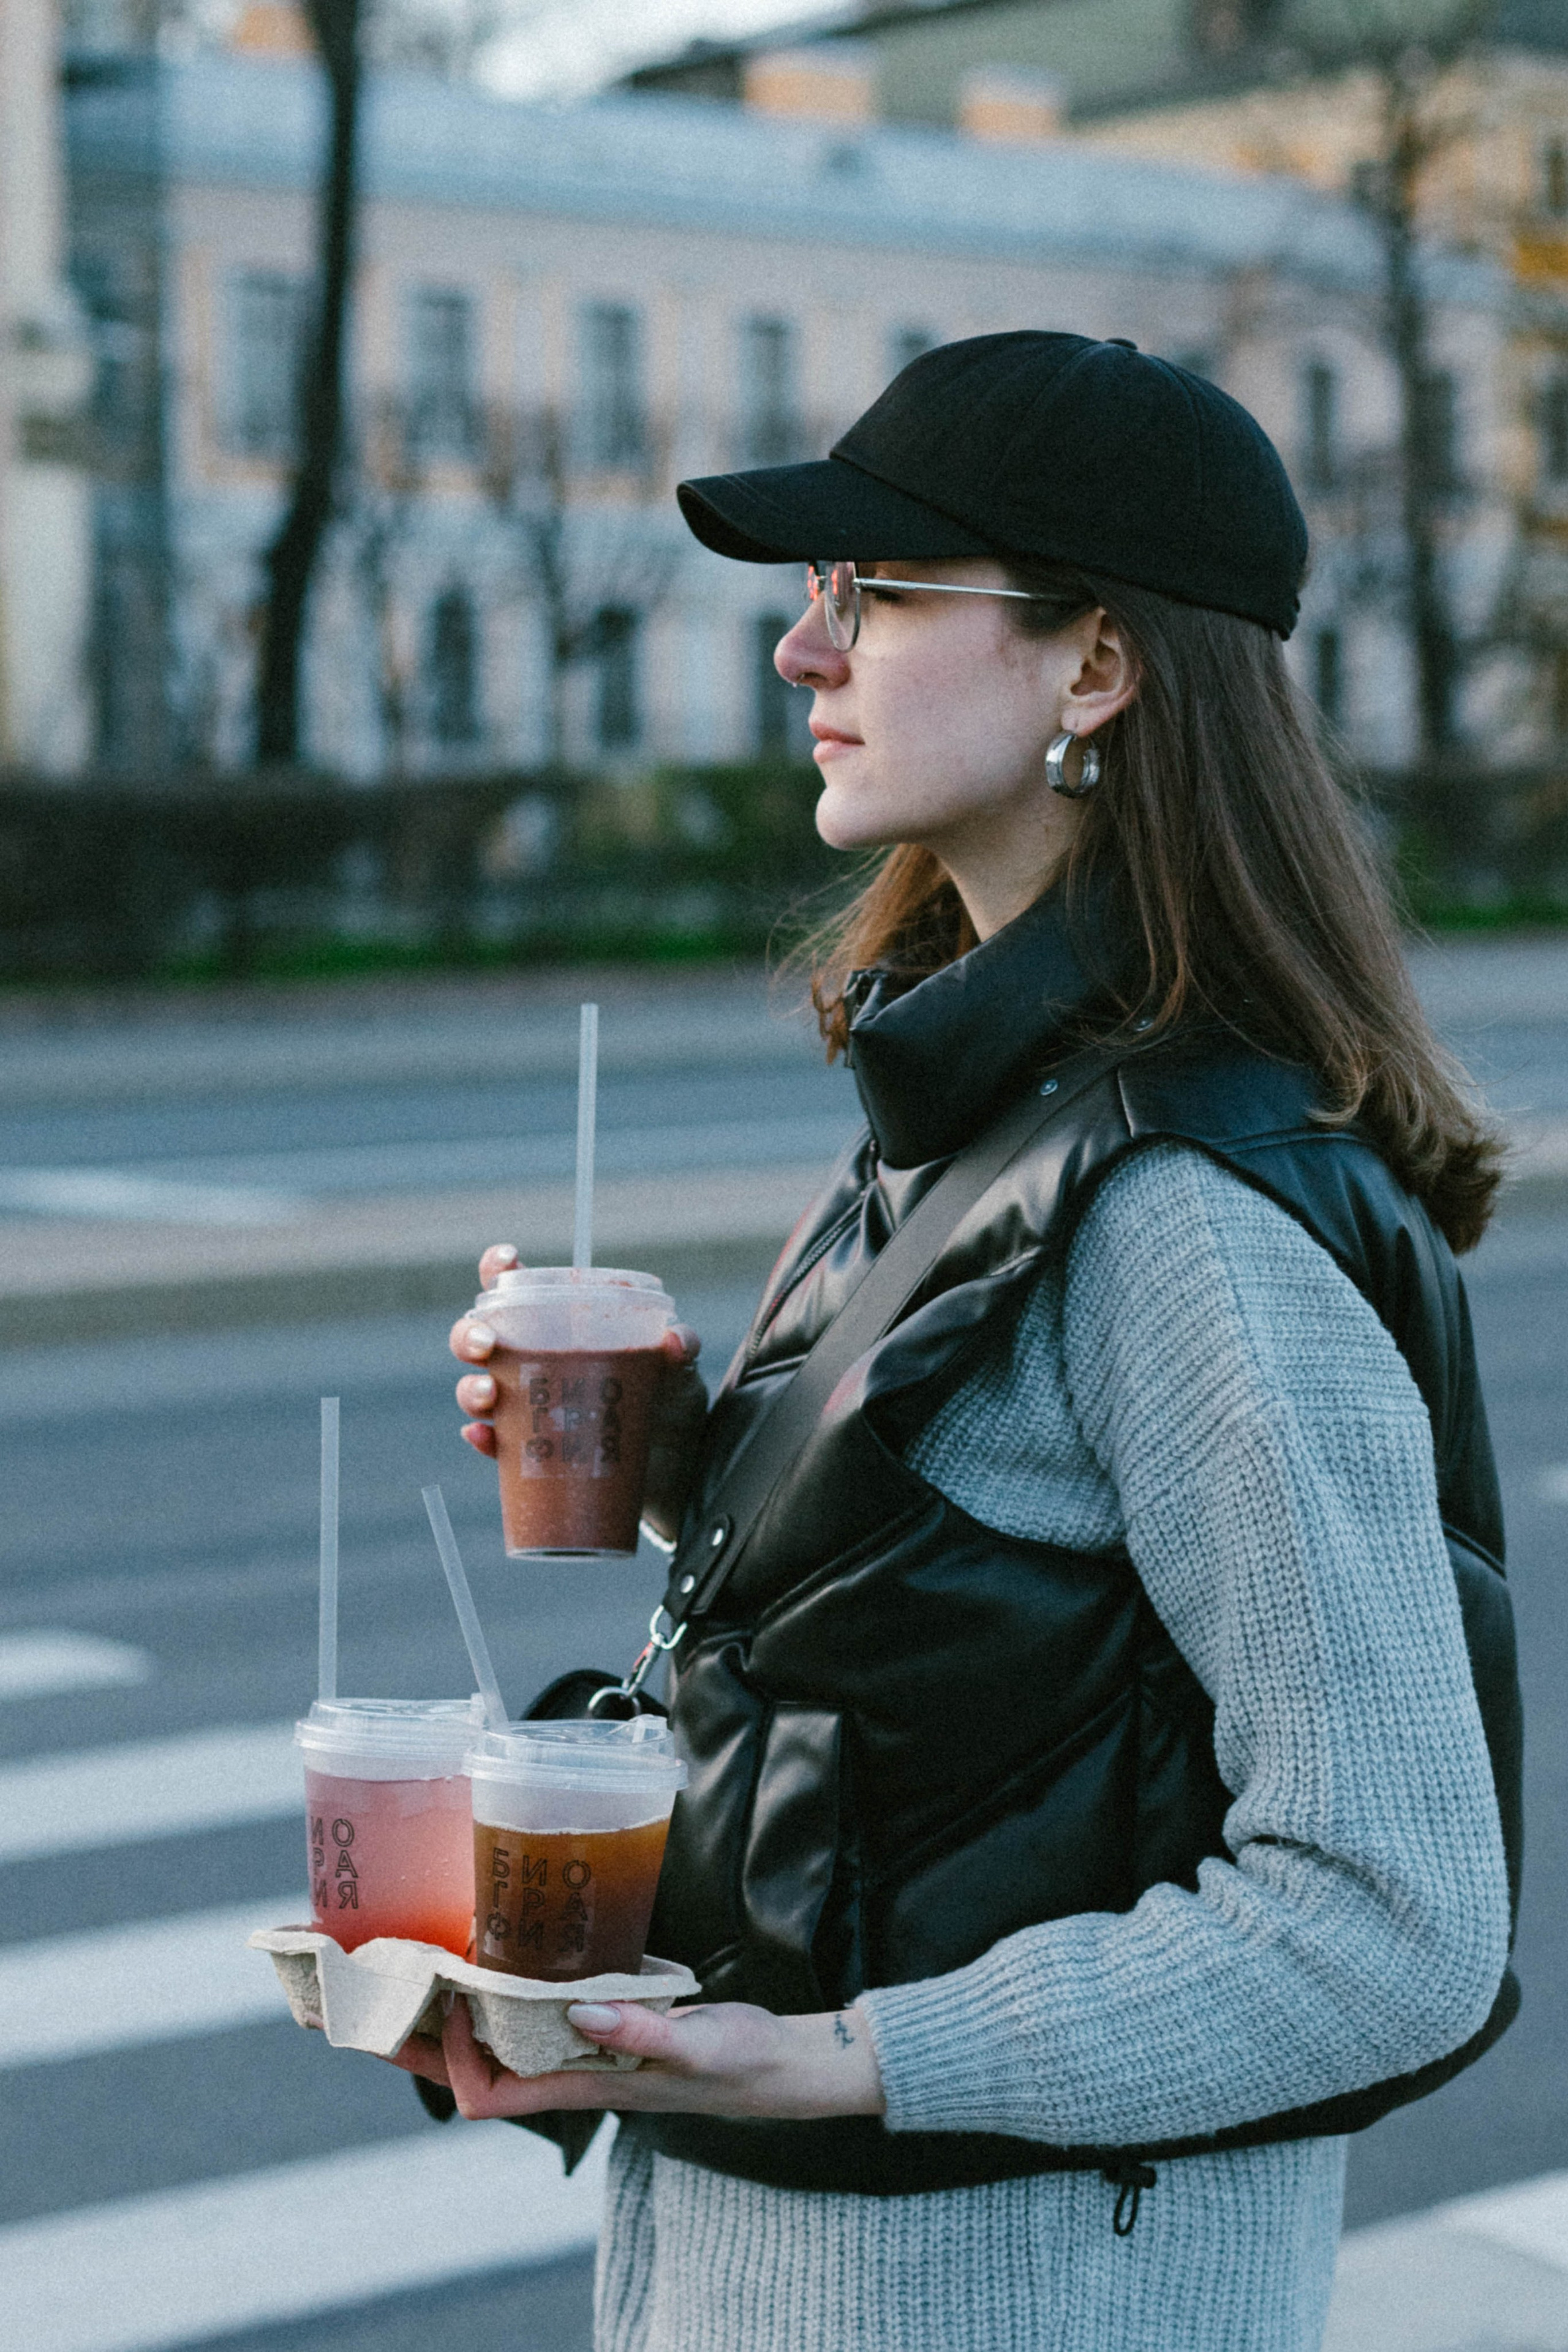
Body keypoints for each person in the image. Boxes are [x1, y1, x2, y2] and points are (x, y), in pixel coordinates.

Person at [398, 333, 1521, 2352]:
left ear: (1099, 665)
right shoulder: (981, 1101)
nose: (801, 651)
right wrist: (703, 1472)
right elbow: (1005, 1666)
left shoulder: (1185, 1214)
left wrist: (849, 2057)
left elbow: (1396, 1921)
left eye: (880, 592)